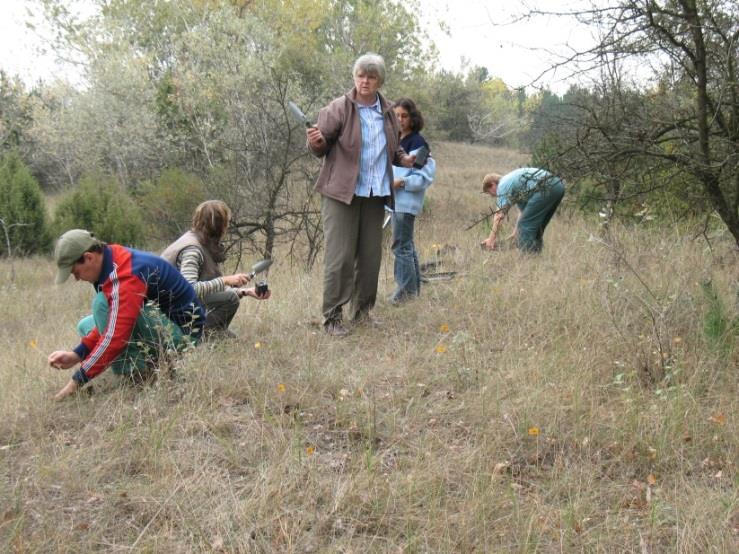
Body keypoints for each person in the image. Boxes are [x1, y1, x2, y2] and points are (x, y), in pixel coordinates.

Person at [306, 53, 415, 336]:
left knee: (369, 258)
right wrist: (315, 143)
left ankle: (363, 314)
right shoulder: (339, 108)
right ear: (355, 77)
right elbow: (321, 147)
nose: (365, 81)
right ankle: (331, 318)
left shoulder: (388, 111)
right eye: (361, 75)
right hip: (342, 193)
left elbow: (392, 146)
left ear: (379, 81)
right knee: (340, 257)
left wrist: (403, 159)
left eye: (371, 77)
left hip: (376, 192)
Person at [47, 229, 205, 401]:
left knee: (101, 305)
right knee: (86, 324)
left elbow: (115, 336)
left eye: (75, 272)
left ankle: (138, 376)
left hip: (183, 336)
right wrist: (77, 354)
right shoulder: (111, 259)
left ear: (89, 257)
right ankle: (139, 368)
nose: (77, 279)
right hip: (160, 324)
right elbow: (114, 321)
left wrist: (76, 382)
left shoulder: (125, 275)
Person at [161, 200, 270, 339]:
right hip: (166, 309)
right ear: (221, 226)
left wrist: (245, 291)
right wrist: (225, 280)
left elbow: (205, 290)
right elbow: (189, 289)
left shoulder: (199, 241)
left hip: (172, 304)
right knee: (230, 299)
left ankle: (211, 334)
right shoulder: (193, 250)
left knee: (231, 338)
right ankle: (198, 337)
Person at [389, 98, 436, 304]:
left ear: (412, 118)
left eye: (404, 116)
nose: (400, 120)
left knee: (401, 247)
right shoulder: (396, 141)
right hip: (394, 202)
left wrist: (400, 183)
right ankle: (412, 290)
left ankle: (405, 293)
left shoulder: (419, 144)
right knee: (406, 245)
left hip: (406, 203)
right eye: (396, 115)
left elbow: (424, 177)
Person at [480, 167, 565, 253]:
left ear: (492, 184)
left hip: (545, 186)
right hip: (558, 186)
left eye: (490, 193)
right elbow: (523, 213)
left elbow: (499, 216)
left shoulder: (502, 185)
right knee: (536, 227)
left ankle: (527, 259)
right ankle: (536, 258)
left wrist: (491, 240)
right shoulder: (515, 186)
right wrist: (515, 234)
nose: (493, 196)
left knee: (525, 226)